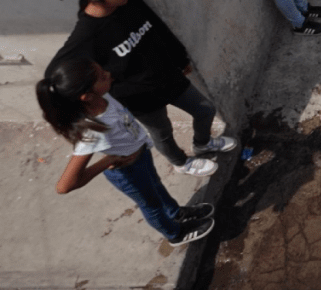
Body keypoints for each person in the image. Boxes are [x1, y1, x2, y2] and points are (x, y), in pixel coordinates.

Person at [46, 0, 235, 176]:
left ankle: (203, 143)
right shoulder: (86, 35)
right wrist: (96, 94)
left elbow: (156, 24)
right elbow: (53, 75)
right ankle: (181, 162)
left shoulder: (128, 0)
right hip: (139, 97)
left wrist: (179, 56)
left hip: (168, 75)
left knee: (205, 109)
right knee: (163, 132)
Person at [38, 58, 216, 246]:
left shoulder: (103, 96)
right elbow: (64, 186)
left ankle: (175, 213)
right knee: (152, 205)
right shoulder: (91, 131)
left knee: (156, 186)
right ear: (86, 96)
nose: (108, 74)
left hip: (141, 155)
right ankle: (175, 234)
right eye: (101, 76)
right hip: (128, 172)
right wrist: (108, 161)